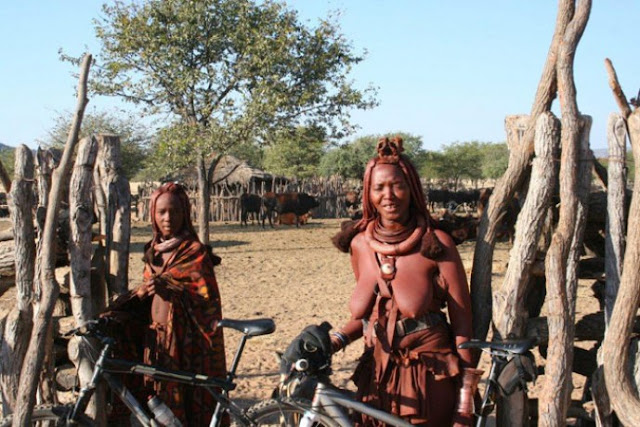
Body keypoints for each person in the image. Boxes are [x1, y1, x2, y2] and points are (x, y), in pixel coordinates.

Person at [328, 137, 482, 426]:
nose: (389, 195)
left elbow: (463, 325)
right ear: (368, 193)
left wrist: (465, 401)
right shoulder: (361, 245)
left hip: (427, 380)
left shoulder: (438, 245)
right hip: (376, 374)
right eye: (379, 187)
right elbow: (371, 317)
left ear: (412, 189)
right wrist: (333, 341)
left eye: (397, 185)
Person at [103, 182, 227, 426]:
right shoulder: (153, 253)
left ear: (185, 214)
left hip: (187, 345)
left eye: (175, 211)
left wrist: (172, 289)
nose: (168, 217)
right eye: (162, 212)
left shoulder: (195, 252)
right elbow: (146, 298)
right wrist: (141, 292)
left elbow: (206, 302)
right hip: (156, 341)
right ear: (153, 215)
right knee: (158, 406)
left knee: (188, 404)